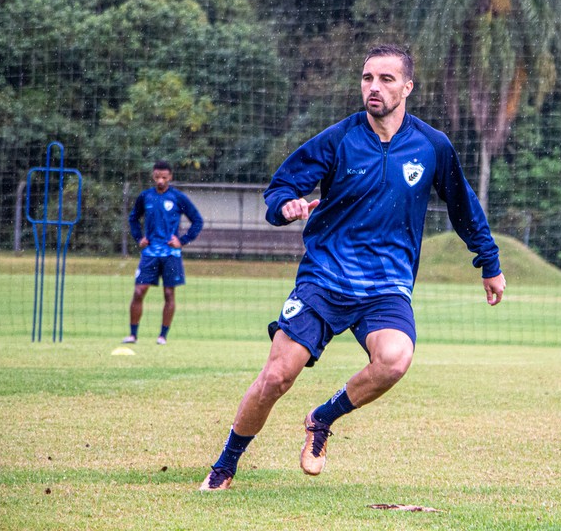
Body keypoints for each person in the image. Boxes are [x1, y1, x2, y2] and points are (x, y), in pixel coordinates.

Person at [200, 45, 506, 491]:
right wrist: (282, 206)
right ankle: (225, 465)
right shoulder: (339, 138)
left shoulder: (432, 146)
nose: (374, 88)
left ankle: (321, 418)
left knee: (395, 360)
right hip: (325, 278)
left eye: (385, 79)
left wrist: (489, 262)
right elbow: (282, 185)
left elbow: (464, 207)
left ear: (408, 87)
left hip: (386, 287)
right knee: (276, 376)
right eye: (367, 78)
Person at [124, 160, 203, 345]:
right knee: (138, 291)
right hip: (150, 252)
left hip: (171, 254)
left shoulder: (178, 197)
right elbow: (133, 218)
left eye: (164, 177)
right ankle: (133, 335)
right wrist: (138, 238)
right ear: (153, 176)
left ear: (170, 177)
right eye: (157, 177)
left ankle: (162, 336)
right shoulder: (145, 197)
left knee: (169, 294)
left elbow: (197, 220)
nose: (160, 180)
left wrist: (181, 241)